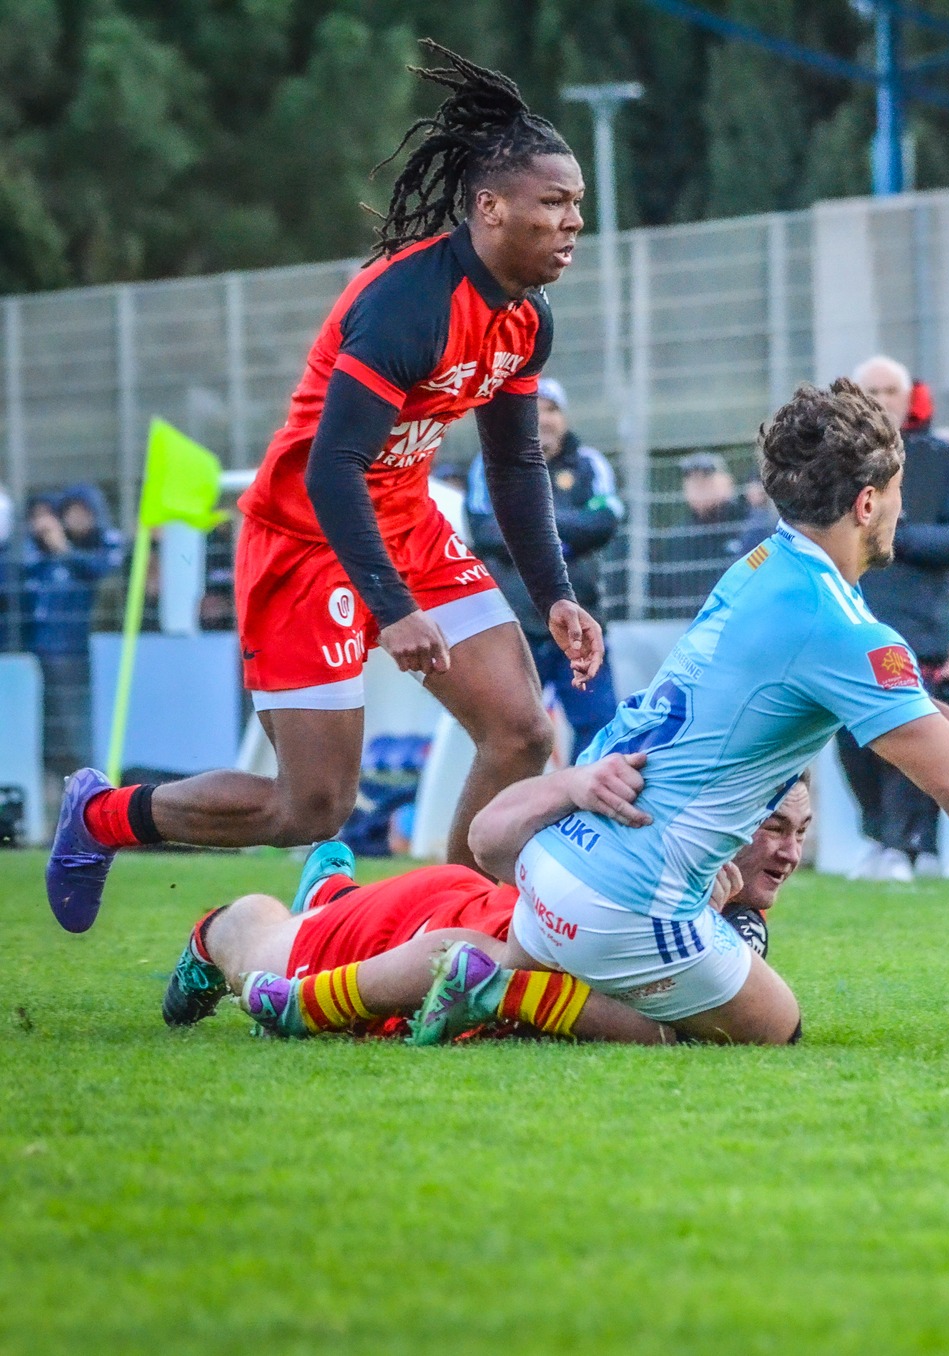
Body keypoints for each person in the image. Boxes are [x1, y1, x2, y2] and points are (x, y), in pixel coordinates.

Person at [275, 380, 949, 1048]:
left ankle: (318, 998)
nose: (897, 523)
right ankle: (518, 995)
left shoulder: (765, 568)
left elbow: (930, 717)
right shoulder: (833, 624)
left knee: (526, 942)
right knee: (771, 1028)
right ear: (870, 501)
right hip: (625, 901)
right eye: (897, 504)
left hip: (558, 859)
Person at [46, 44, 605, 934]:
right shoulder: (408, 303)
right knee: (309, 808)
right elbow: (329, 466)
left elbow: (514, 465)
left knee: (522, 732)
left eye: (579, 203)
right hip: (308, 537)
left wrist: (557, 595)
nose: (576, 222)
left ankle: (445, 932)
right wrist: (390, 608)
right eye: (556, 203)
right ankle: (100, 816)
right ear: (490, 207)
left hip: (407, 522)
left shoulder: (526, 319)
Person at [160, 770, 815, 1044]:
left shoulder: (736, 916)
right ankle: (228, 940)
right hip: (444, 927)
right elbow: (487, 862)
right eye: (777, 829)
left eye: (802, 834)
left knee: (686, 1032)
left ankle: (332, 896)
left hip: (467, 909)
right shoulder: (659, 851)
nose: (790, 852)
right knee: (258, 944)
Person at [836, 354, 949, 882]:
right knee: (851, 737)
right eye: (870, 391)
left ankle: (905, 846)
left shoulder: (941, 462)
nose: (880, 401)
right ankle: (879, 836)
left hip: (915, 627)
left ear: (909, 398)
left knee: (907, 733)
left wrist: (893, 537)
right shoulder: (833, 461)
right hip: (845, 620)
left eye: (889, 391)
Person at [466, 376, 623, 756]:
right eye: (533, 409)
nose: (542, 419)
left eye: (551, 409)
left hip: (579, 624)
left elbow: (604, 522)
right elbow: (483, 530)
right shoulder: (489, 462)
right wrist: (562, 532)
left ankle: (583, 808)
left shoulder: (589, 464)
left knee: (601, 728)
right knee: (512, 733)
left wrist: (531, 529)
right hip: (514, 626)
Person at [24, 486, 119, 777]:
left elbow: (102, 572)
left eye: (84, 511)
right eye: (71, 512)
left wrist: (63, 549)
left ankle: (89, 781)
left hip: (79, 656)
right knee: (46, 731)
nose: (77, 518)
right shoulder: (39, 556)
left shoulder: (102, 548)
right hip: (39, 655)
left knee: (79, 728)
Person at [658, 451, 751, 611]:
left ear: (728, 482)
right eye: (691, 479)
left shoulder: (750, 524)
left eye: (706, 476)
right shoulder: (678, 538)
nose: (698, 485)